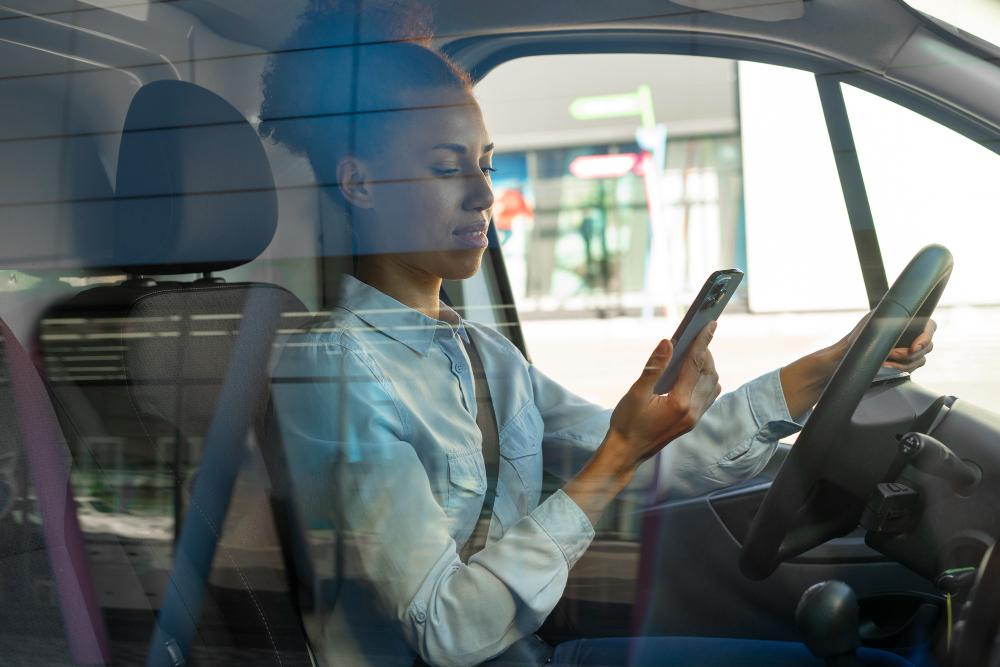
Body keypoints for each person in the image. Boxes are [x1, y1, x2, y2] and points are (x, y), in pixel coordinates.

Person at [262, 4, 935, 666]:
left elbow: (643, 457)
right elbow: (447, 629)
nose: (483, 195)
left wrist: (833, 364)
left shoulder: (484, 355)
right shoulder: (337, 369)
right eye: (447, 167)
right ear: (361, 184)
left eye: (486, 164)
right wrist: (617, 453)